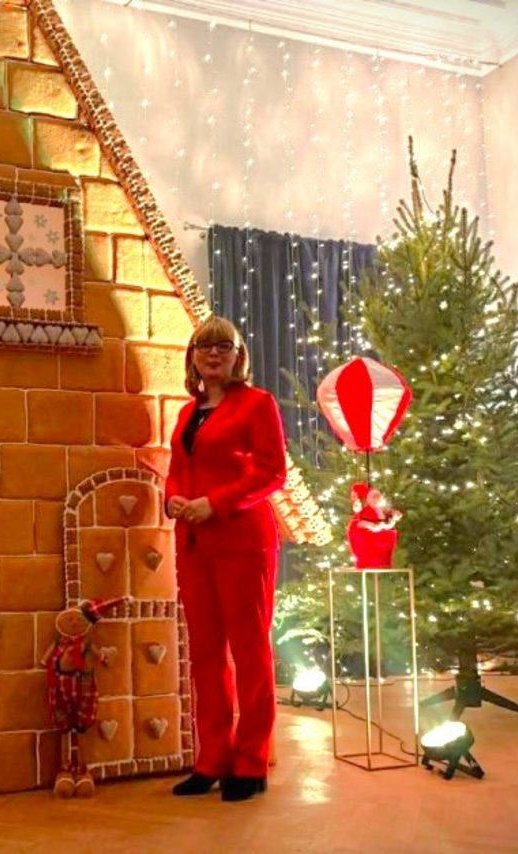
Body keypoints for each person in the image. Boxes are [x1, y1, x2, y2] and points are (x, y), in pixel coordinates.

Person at [164, 316, 288, 803]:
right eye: (204, 346)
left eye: (224, 346)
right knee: (206, 656)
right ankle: (211, 759)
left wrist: (213, 504)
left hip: (243, 543)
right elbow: (178, 469)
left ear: (239, 356)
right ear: (192, 357)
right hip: (194, 546)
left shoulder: (258, 403)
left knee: (250, 654)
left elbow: (272, 472)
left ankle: (251, 761)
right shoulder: (187, 413)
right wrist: (173, 498)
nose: (213, 353)